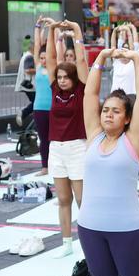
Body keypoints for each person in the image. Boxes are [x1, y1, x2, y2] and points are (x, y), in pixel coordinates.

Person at [80, 46, 139, 276]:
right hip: (90, 227)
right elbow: (88, 97)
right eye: (106, 109)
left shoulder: (133, 141)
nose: (108, 114)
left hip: (128, 229)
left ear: (127, 119)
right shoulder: (94, 137)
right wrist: (99, 61)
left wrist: (136, 60)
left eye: (116, 111)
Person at [46, 20, 89, 257]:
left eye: (65, 77)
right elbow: (51, 59)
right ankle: (66, 244)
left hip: (77, 147)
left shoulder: (81, 89)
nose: (61, 80)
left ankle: (89, 241)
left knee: (83, 199)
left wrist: (77, 31)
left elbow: (81, 61)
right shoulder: (54, 89)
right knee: (64, 199)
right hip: (57, 148)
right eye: (59, 76)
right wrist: (52, 31)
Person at [32, 21, 53, 175]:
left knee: (55, 139)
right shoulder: (38, 67)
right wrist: (38, 27)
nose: (44, 60)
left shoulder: (53, 67)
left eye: (46, 57)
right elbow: (37, 46)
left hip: (54, 108)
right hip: (39, 108)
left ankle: (56, 165)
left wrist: (53, 30)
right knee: (43, 139)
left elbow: (55, 50)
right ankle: (45, 167)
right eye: (41, 57)